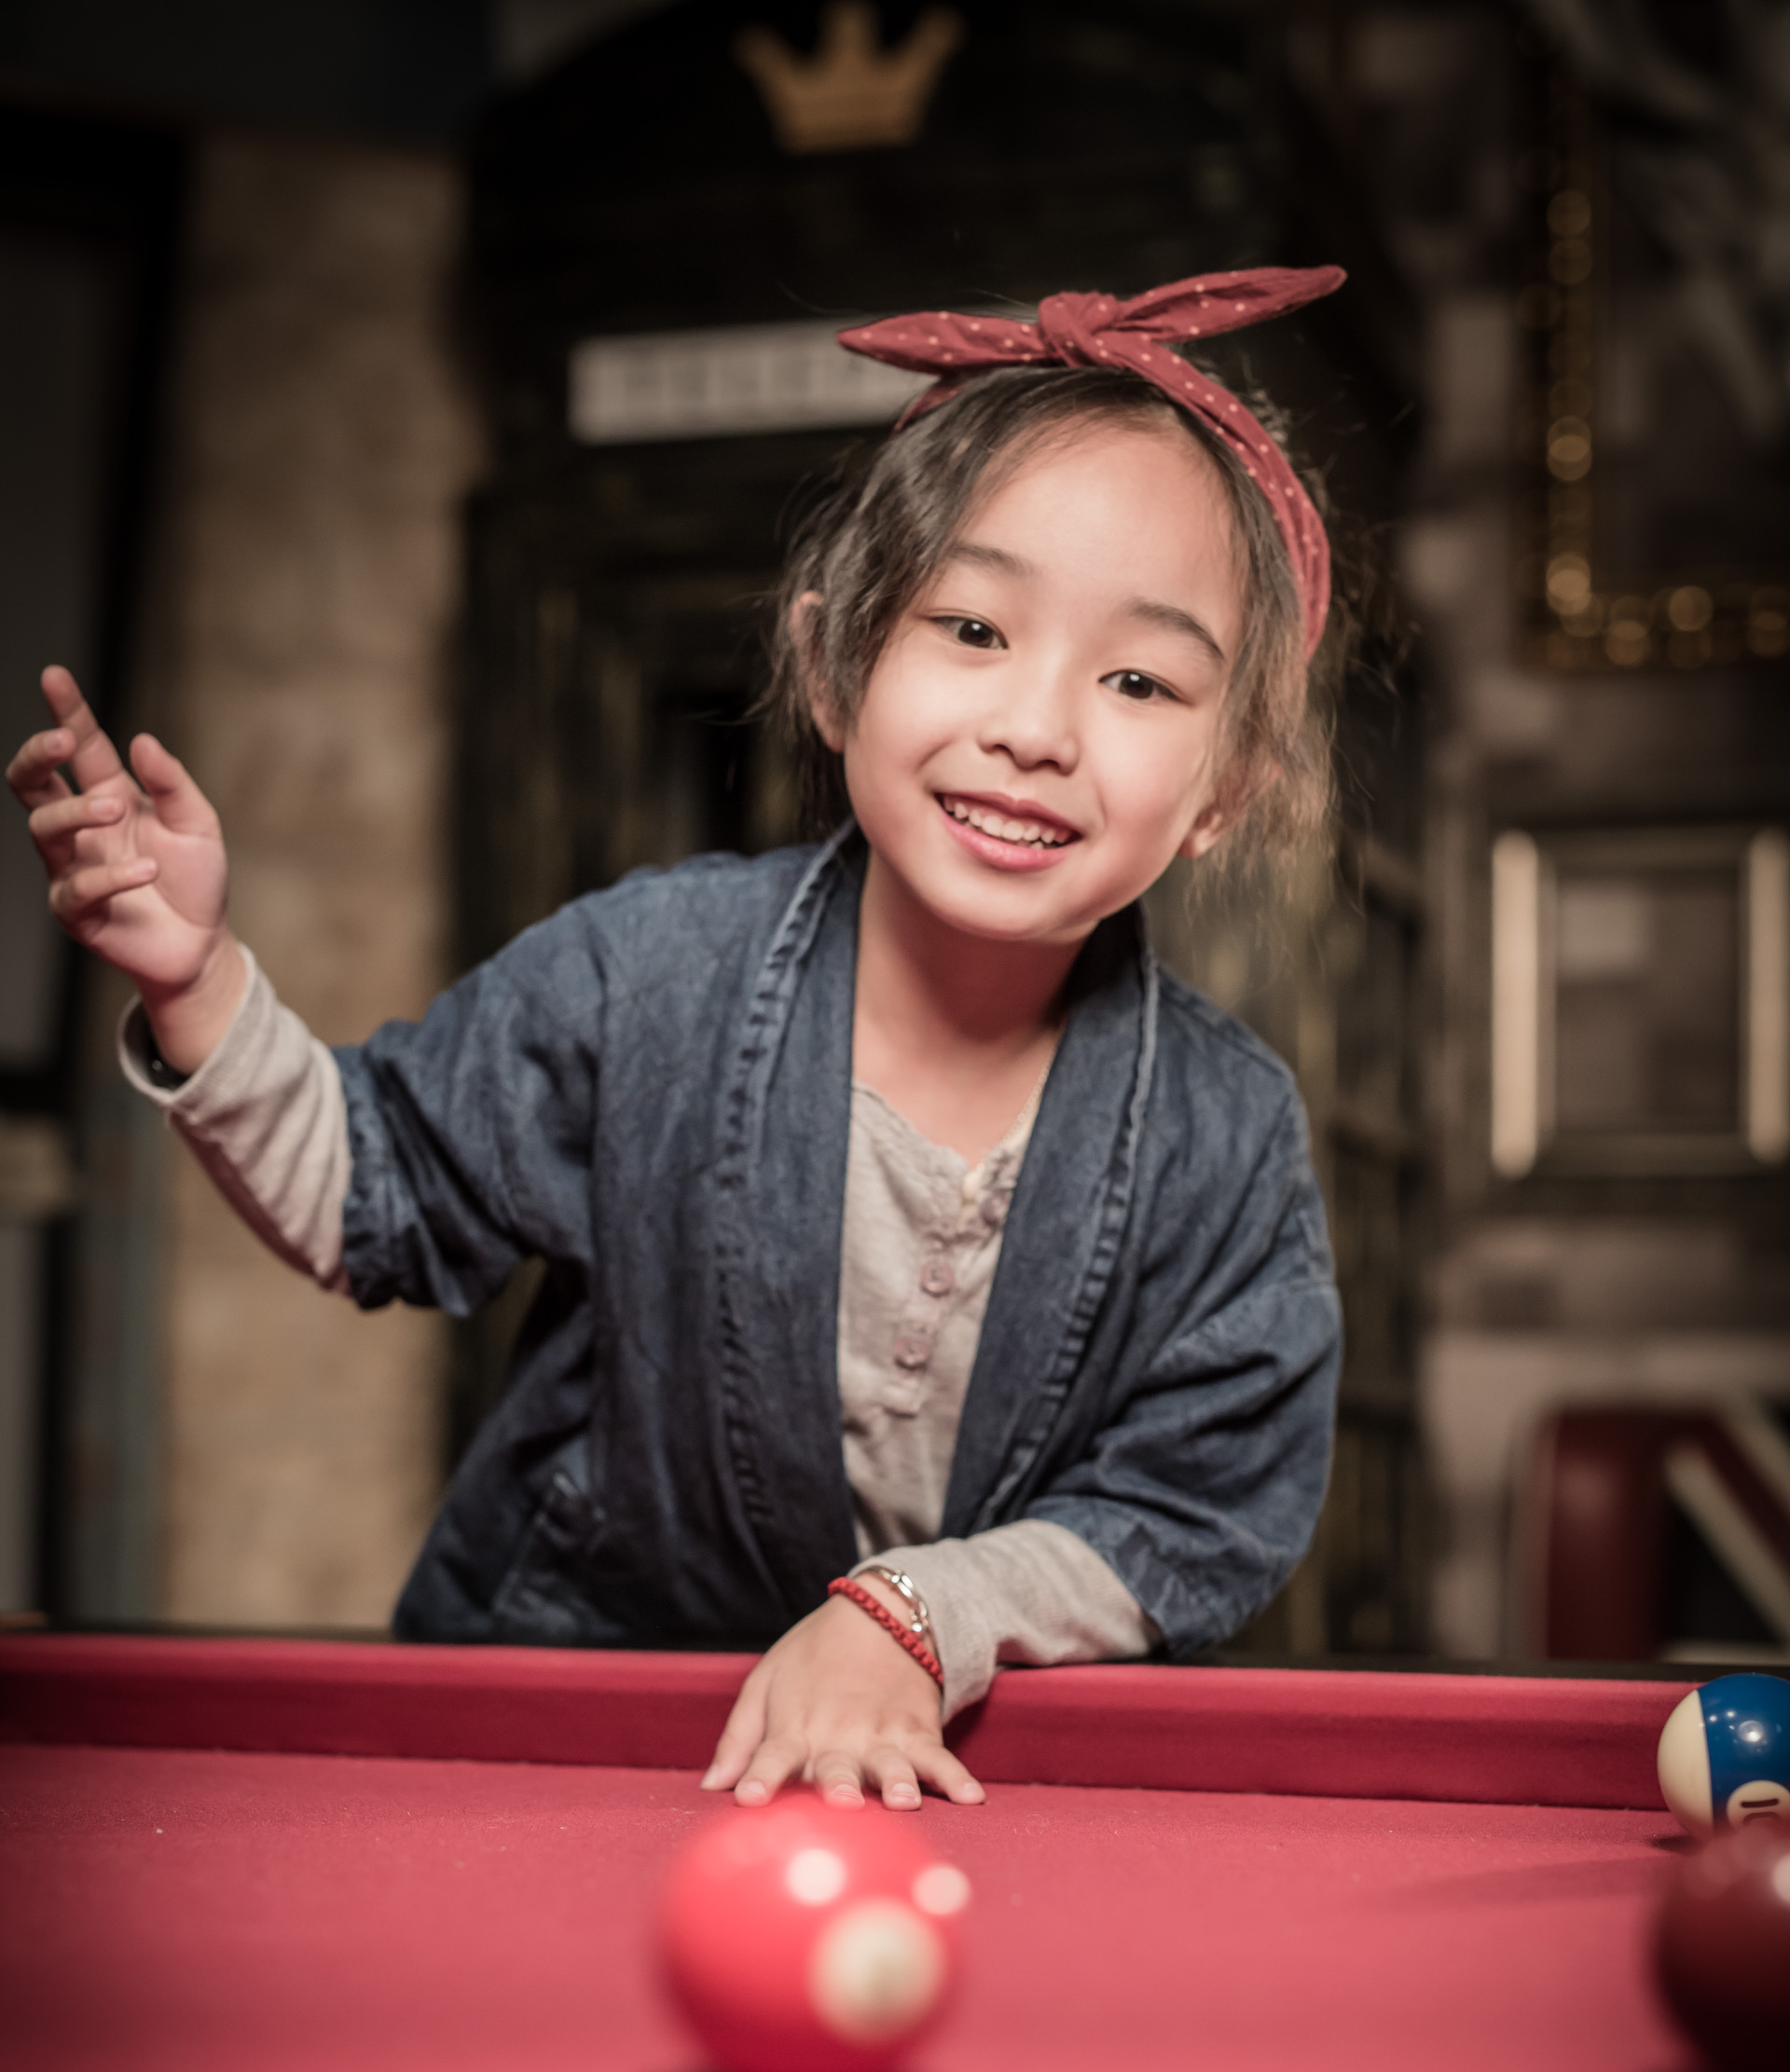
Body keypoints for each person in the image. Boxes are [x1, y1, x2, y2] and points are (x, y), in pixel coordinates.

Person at [7, 270, 1345, 1813]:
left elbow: (1201, 1510)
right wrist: (197, 975)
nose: (1038, 724)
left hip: (961, 1782)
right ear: (836, 664)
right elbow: (375, 1190)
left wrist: (918, 1616)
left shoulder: (1229, 1132)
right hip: (562, 1735)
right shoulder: (645, 972)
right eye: (972, 626)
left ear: (1223, 792)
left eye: (1136, 678)